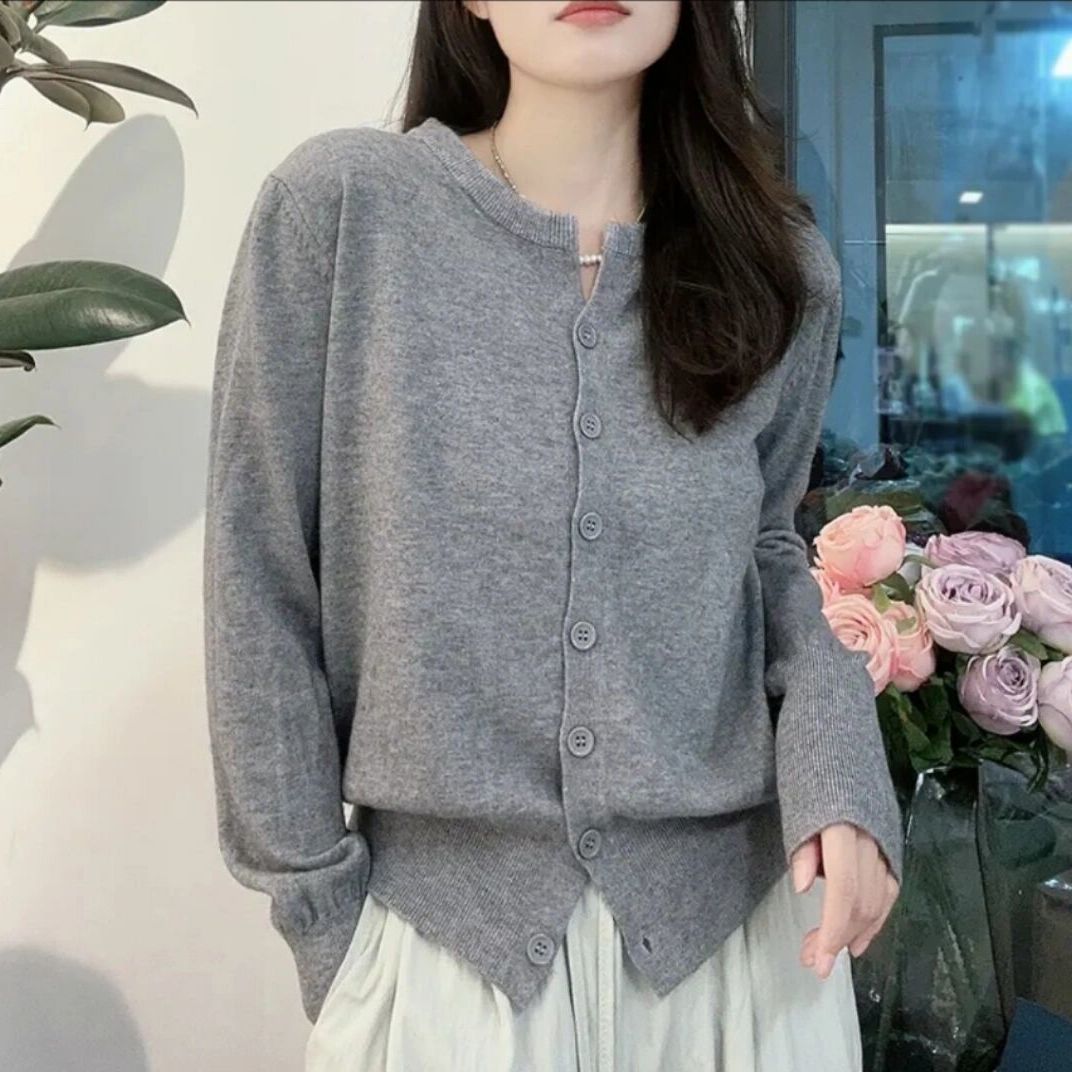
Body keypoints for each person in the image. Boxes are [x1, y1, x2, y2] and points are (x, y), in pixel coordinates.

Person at [202, 2, 903, 1069]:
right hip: (443, 957)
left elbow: (767, 553)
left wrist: (840, 770)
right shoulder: (344, 212)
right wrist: (323, 921)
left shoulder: (778, 265)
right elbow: (258, 580)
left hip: (742, 958)